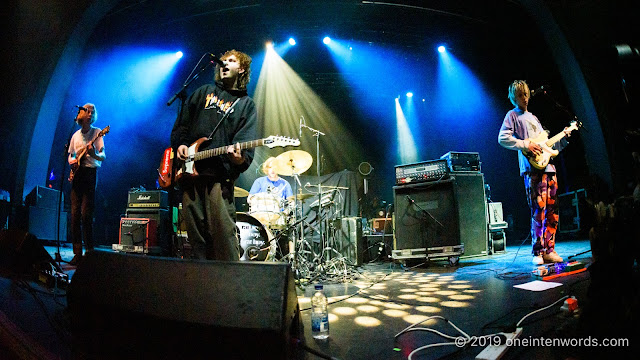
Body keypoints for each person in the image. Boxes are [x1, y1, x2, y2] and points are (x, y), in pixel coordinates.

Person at [171, 49, 257, 261]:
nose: (224, 63)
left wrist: (238, 158)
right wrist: (181, 144)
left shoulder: (246, 104)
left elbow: (244, 150)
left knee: (223, 238)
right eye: (223, 60)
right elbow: (182, 125)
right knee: (195, 240)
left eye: (231, 60)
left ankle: (230, 287)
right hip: (191, 176)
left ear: (242, 68)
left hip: (219, 179)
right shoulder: (203, 92)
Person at [498, 80, 572, 265]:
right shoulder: (512, 115)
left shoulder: (534, 118)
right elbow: (502, 138)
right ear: (513, 97)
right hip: (532, 170)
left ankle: (550, 249)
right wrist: (525, 143)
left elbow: (547, 147)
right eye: (520, 95)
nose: (524, 98)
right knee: (538, 210)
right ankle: (537, 251)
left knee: (552, 211)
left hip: (549, 168)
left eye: (526, 94)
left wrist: (563, 138)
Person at [68, 103, 106, 265]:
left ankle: (89, 252)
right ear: (80, 114)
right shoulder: (75, 135)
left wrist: (94, 153)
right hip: (77, 175)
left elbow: (103, 156)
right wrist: (73, 162)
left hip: (90, 174)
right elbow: (70, 155)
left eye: (93, 111)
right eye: (87, 111)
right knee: (75, 214)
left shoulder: (97, 133)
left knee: (86, 214)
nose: (90, 114)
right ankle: (77, 253)